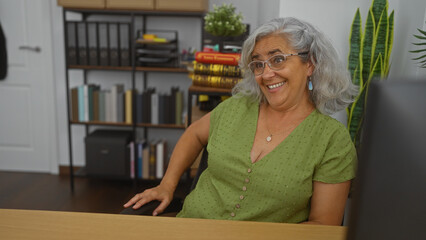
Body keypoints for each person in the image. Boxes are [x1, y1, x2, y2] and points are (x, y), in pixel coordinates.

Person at [123, 17, 358, 225]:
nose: (266, 74)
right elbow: (193, 134)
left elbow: (323, 225)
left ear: (310, 64)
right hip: (192, 228)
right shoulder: (236, 108)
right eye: (258, 64)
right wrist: (167, 185)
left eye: (277, 60)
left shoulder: (332, 140)